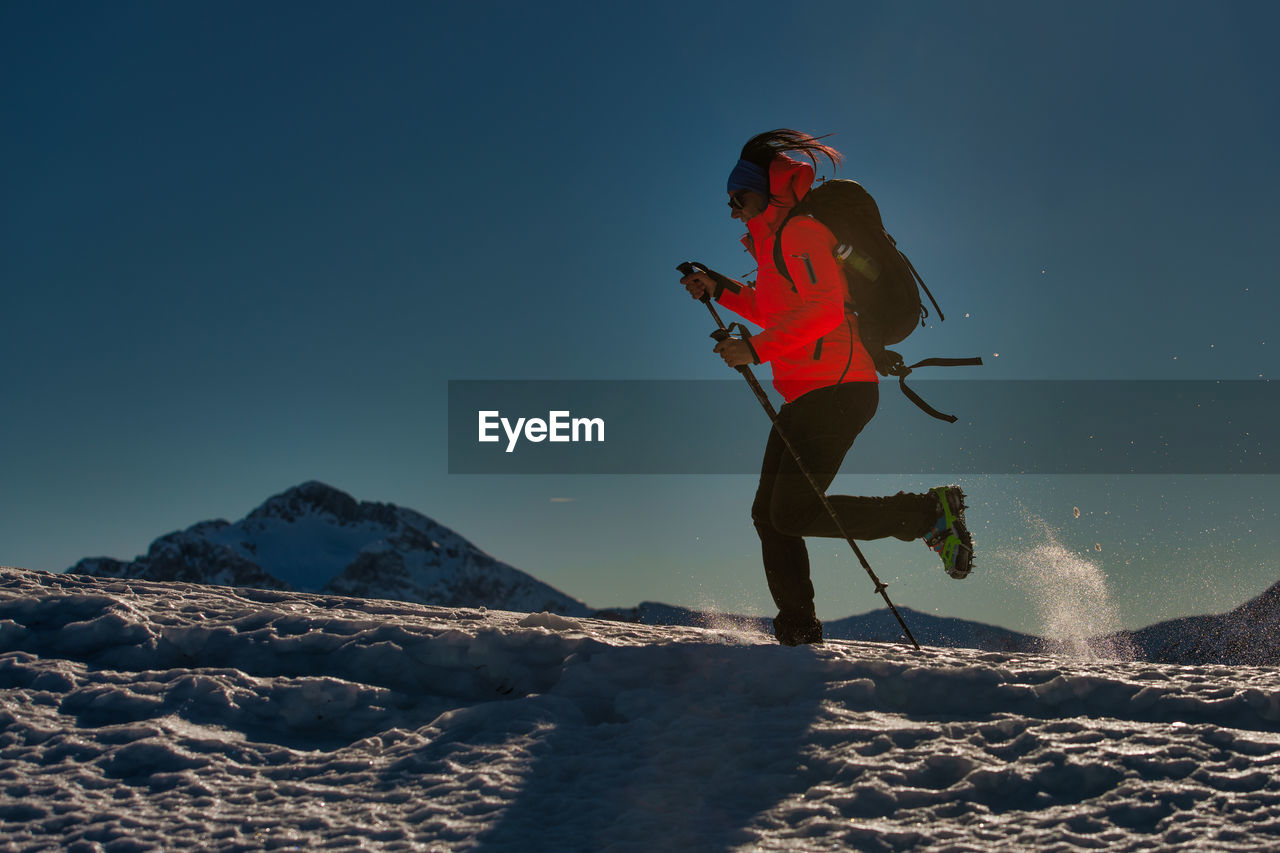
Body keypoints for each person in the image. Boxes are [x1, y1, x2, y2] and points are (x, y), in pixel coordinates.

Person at [680, 129, 973, 646]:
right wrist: (718, 287)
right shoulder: (775, 246)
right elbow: (772, 309)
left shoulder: (800, 235)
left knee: (790, 511)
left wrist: (755, 350)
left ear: (767, 193)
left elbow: (826, 309)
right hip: (809, 394)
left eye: (738, 199)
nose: (732, 211)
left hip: (839, 389)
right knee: (770, 516)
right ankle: (797, 630)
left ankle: (926, 513)